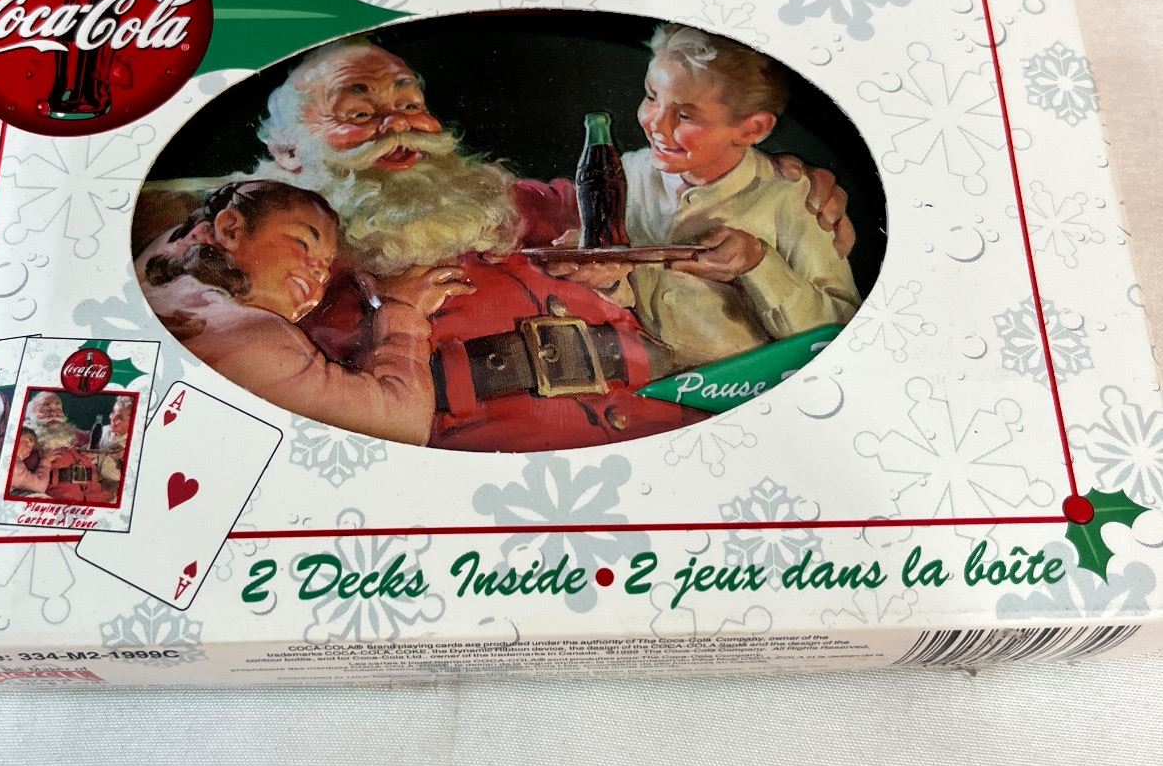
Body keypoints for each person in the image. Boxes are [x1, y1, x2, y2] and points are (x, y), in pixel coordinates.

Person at [136, 39, 854, 453]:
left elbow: (675, 197)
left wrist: (779, 181)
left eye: (409, 102)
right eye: (359, 111)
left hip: (680, 430)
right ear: (289, 154)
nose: (398, 123)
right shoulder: (260, 245)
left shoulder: (511, 198)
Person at [555, 25, 860, 377]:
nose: (656, 124)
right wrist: (607, 278)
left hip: (743, 387)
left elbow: (839, 327)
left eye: (685, 115)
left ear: (753, 129)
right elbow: (631, 294)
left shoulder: (791, 197)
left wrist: (759, 264)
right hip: (647, 380)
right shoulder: (627, 175)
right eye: (652, 97)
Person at [138, 178, 465, 445]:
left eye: (325, 267)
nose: (320, 273)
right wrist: (402, 312)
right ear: (230, 229)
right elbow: (402, 425)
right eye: (303, 244)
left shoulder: (166, 272)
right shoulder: (255, 339)